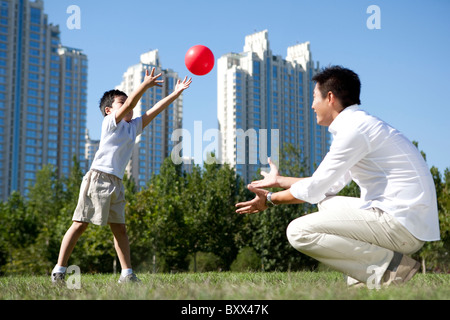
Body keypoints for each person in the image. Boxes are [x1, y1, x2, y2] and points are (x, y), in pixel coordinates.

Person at [236, 66, 440, 288]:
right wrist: (280, 181)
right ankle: (363, 281)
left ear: (330, 97)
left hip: (400, 224)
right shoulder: (359, 126)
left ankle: (391, 270)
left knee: (298, 231)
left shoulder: (354, 130)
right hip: (403, 220)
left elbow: (313, 190)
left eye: (314, 97)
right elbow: (326, 186)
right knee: (327, 203)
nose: (312, 105)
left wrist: (270, 199)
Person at [52, 68, 192, 284]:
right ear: (109, 110)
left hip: (117, 183)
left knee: (120, 230)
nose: (130, 107)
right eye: (122, 103)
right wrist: (144, 85)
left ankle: (127, 275)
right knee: (80, 224)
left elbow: (154, 110)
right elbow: (130, 105)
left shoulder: (132, 127)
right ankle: (59, 270)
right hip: (98, 178)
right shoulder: (110, 124)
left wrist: (175, 93)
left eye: (129, 104)